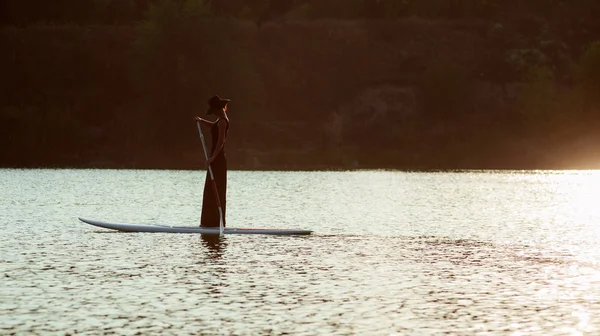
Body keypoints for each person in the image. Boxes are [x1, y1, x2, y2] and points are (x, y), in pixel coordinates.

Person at [195, 95, 230, 227]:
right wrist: (201, 121)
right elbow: (212, 126)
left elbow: (221, 141)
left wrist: (212, 158)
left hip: (218, 159)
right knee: (210, 189)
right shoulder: (219, 121)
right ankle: (209, 222)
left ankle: (215, 222)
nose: (213, 113)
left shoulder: (222, 121)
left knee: (216, 188)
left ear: (219, 108)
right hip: (216, 159)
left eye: (214, 110)